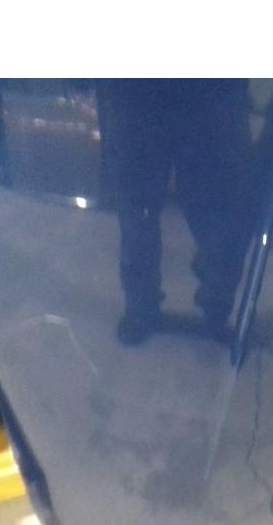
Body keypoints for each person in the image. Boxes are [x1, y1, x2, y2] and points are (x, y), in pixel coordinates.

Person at [97, 80, 257, 345]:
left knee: (221, 214)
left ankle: (213, 303)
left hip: (204, 89)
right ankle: (147, 306)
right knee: (138, 212)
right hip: (145, 91)